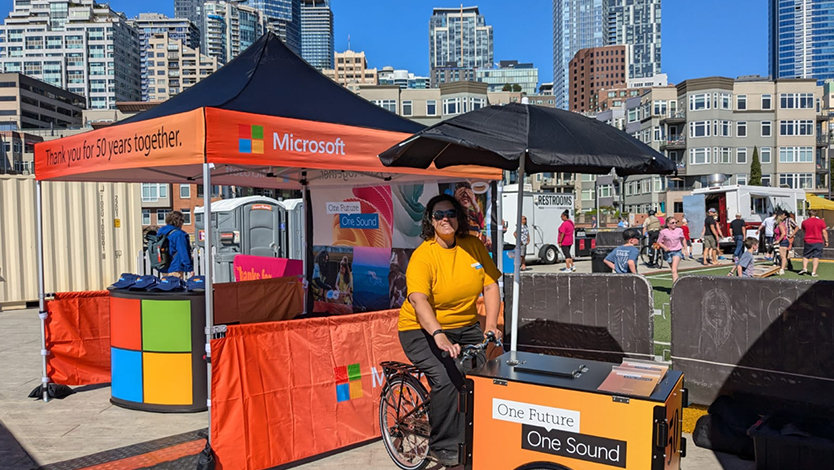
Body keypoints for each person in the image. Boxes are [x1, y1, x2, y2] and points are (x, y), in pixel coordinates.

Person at [398, 194, 501, 467]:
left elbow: (490, 286)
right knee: (446, 378)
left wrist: (491, 326)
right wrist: (438, 334)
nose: (446, 219)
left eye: (451, 213)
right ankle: (442, 448)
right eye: (439, 215)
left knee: (482, 375)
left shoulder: (473, 247)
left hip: (465, 326)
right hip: (421, 329)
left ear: (459, 217)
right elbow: (419, 300)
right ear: (430, 221)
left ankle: (474, 433)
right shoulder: (423, 256)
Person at [156, 211, 192, 278]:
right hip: (176, 266)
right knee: (176, 286)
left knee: (166, 286)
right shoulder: (179, 234)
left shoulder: (161, 232)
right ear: (179, 221)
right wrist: (189, 268)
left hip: (163, 266)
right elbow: (183, 252)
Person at [798, 209, 829, 277]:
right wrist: (826, 241)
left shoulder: (804, 222)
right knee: (816, 256)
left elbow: (803, 230)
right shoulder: (821, 222)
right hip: (818, 241)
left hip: (808, 241)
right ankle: (813, 272)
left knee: (806, 255)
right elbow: (824, 232)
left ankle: (804, 268)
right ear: (816, 214)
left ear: (808, 214)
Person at [657, 217, 686, 282]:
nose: (674, 224)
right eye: (672, 223)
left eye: (676, 222)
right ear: (668, 224)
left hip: (677, 251)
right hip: (668, 252)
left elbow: (683, 239)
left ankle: (675, 288)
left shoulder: (679, 230)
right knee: (673, 270)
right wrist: (664, 247)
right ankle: (678, 283)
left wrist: (685, 248)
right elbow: (659, 242)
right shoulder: (663, 232)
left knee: (674, 270)